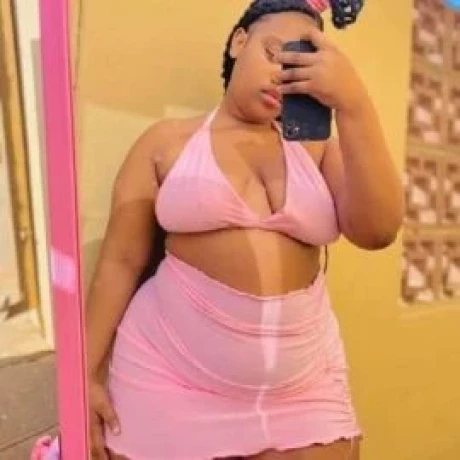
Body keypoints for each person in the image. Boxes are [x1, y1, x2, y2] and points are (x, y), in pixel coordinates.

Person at [86, 0, 403, 459]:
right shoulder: (166, 142)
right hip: (167, 378)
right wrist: (85, 372)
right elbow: (120, 262)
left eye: (298, 69)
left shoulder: (318, 150)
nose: (281, 77)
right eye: (274, 54)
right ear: (240, 41)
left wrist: (354, 104)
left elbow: (379, 231)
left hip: (302, 389)